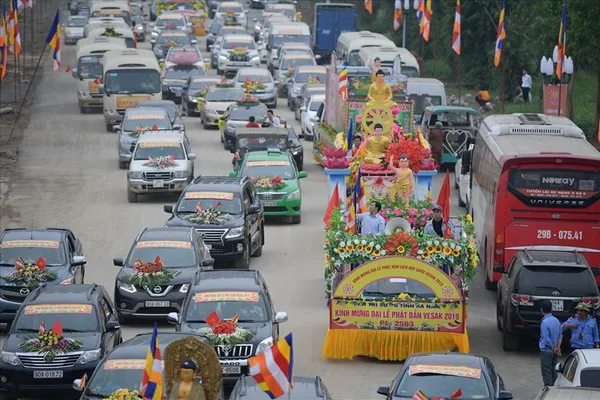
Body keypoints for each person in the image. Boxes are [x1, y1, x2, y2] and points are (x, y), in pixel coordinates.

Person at [539, 299, 563, 387]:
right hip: (555, 350)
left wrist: (553, 348)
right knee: (554, 371)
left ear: (541, 310)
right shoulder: (556, 320)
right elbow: (560, 335)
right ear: (551, 309)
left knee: (546, 372)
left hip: (546, 350)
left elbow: (546, 339)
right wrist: (557, 348)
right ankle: (555, 390)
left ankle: (548, 390)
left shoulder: (544, 322)